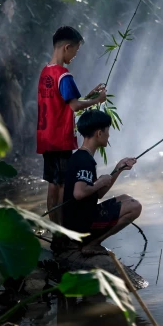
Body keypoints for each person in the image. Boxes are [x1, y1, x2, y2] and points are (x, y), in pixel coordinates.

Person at [37, 26, 107, 223]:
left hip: (46, 137)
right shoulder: (64, 75)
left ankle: (54, 228)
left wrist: (89, 95)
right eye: (76, 50)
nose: (75, 55)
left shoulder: (46, 72)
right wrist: (97, 101)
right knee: (62, 186)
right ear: (67, 47)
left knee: (53, 183)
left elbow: (63, 104)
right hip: (60, 139)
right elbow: (75, 106)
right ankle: (62, 232)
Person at [63, 110, 141, 256]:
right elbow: (79, 193)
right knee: (135, 207)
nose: (109, 135)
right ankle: (92, 244)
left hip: (81, 217)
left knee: (125, 198)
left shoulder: (81, 157)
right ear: (99, 133)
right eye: (107, 131)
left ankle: (90, 242)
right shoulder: (84, 161)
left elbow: (97, 194)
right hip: (80, 225)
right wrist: (100, 182)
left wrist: (118, 169)